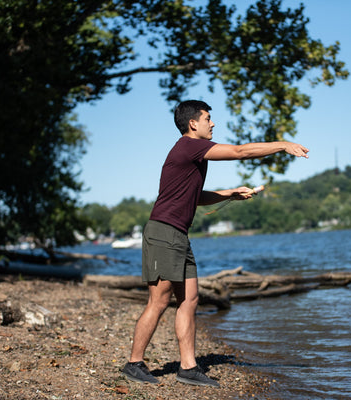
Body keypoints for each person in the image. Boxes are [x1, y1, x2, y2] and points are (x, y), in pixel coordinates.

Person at [122, 100, 309, 387]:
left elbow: (196, 196)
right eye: (208, 118)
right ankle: (134, 363)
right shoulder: (188, 146)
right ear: (193, 123)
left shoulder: (194, 156)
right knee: (159, 301)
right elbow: (240, 151)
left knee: (190, 299)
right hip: (163, 233)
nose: (213, 123)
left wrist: (229, 194)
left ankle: (188, 367)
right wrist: (282, 144)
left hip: (178, 235)